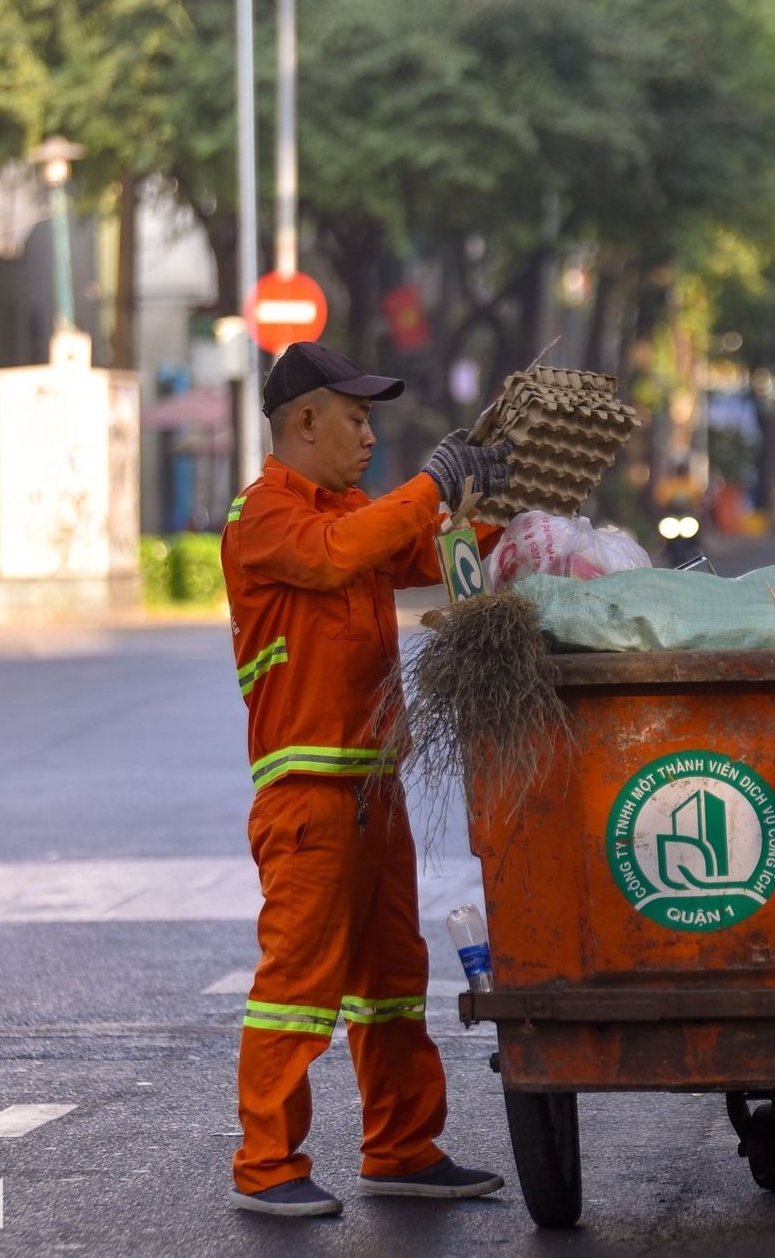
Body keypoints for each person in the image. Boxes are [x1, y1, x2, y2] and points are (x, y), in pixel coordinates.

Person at [220, 341, 512, 1217]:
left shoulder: (348, 512)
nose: (370, 436)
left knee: (391, 984)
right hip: (307, 793)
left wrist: (504, 497)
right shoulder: (264, 515)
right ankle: (267, 1167)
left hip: (374, 788)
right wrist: (428, 485)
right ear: (303, 421)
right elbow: (341, 553)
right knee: (296, 988)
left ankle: (402, 1149)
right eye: (356, 418)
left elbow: (425, 553)